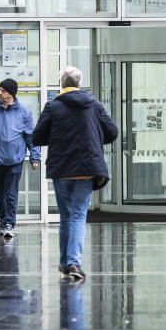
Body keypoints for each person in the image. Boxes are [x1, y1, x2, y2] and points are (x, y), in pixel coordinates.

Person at [32, 67, 118, 281]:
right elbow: (113, 132)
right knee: (78, 215)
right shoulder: (94, 105)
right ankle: (73, 263)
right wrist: (94, 138)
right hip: (87, 168)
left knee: (66, 216)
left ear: (62, 84)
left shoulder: (52, 106)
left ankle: (65, 263)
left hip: (61, 169)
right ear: (79, 84)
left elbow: (37, 137)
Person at [0, 78, 40, 238]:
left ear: (10, 93)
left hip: (14, 160)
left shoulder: (23, 112)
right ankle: (4, 218)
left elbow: (32, 137)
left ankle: (9, 223)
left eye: (2, 91)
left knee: (11, 193)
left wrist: (34, 157)